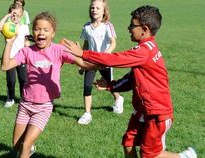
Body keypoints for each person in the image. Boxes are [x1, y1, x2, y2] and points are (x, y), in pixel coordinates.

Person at [62, 5, 197, 158]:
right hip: (142, 109)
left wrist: (82, 53)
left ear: (144, 29)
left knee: (150, 155)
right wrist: (111, 86)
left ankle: (185, 156)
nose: (129, 28)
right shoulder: (143, 50)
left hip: (156, 113)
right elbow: (132, 79)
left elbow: (114, 59)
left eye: (133, 25)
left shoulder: (144, 51)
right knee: (128, 143)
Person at [0, 11, 98, 158]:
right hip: (25, 105)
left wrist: (101, 62)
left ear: (53, 33)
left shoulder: (59, 50)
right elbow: (5, 66)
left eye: (46, 30)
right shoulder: (26, 51)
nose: (41, 32)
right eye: (37, 29)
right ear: (33, 31)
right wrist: (9, 43)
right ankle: (29, 149)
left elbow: (83, 63)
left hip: (43, 107)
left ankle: (28, 147)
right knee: (17, 145)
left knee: (25, 144)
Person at [77, 0, 124, 125]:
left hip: (105, 61)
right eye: (92, 8)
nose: (94, 10)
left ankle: (118, 98)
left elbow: (113, 42)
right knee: (87, 86)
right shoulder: (86, 27)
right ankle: (87, 114)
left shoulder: (108, 26)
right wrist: (82, 63)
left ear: (104, 11)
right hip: (91, 61)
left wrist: (105, 55)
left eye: (98, 8)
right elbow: (86, 45)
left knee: (110, 84)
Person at [0, 3, 30, 108]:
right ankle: (10, 98)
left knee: (23, 80)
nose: (14, 16)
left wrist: (28, 55)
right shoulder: (7, 27)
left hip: (21, 58)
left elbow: (26, 42)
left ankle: (23, 98)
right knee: (11, 80)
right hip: (10, 57)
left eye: (17, 14)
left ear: (21, 15)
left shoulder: (24, 28)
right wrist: (7, 16)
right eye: (12, 14)